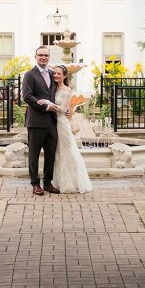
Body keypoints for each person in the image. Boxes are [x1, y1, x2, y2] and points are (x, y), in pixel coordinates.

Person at [21, 46, 61, 196]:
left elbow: (57, 94)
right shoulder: (29, 75)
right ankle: (35, 184)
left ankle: (48, 183)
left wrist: (64, 108)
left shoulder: (52, 74)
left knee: (50, 154)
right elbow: (27, 96)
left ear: (49, 57)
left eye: (46, 55)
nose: (43, 58)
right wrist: (46, 107)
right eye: (40, 55)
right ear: (35, 57)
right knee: (34, 154)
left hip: (52, 122)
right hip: (36, 121)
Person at [49, 65, 92, 194]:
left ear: (65, 76)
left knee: (68, 151)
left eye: (59, 74)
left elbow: (63, 109)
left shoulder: (67, 90)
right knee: (57, 152)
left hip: (62, 124)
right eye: (55, 73)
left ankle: (73, 182)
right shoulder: (51, 88)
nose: (56, 75)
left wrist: (48, 105)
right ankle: (59, 181)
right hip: (52, 123)